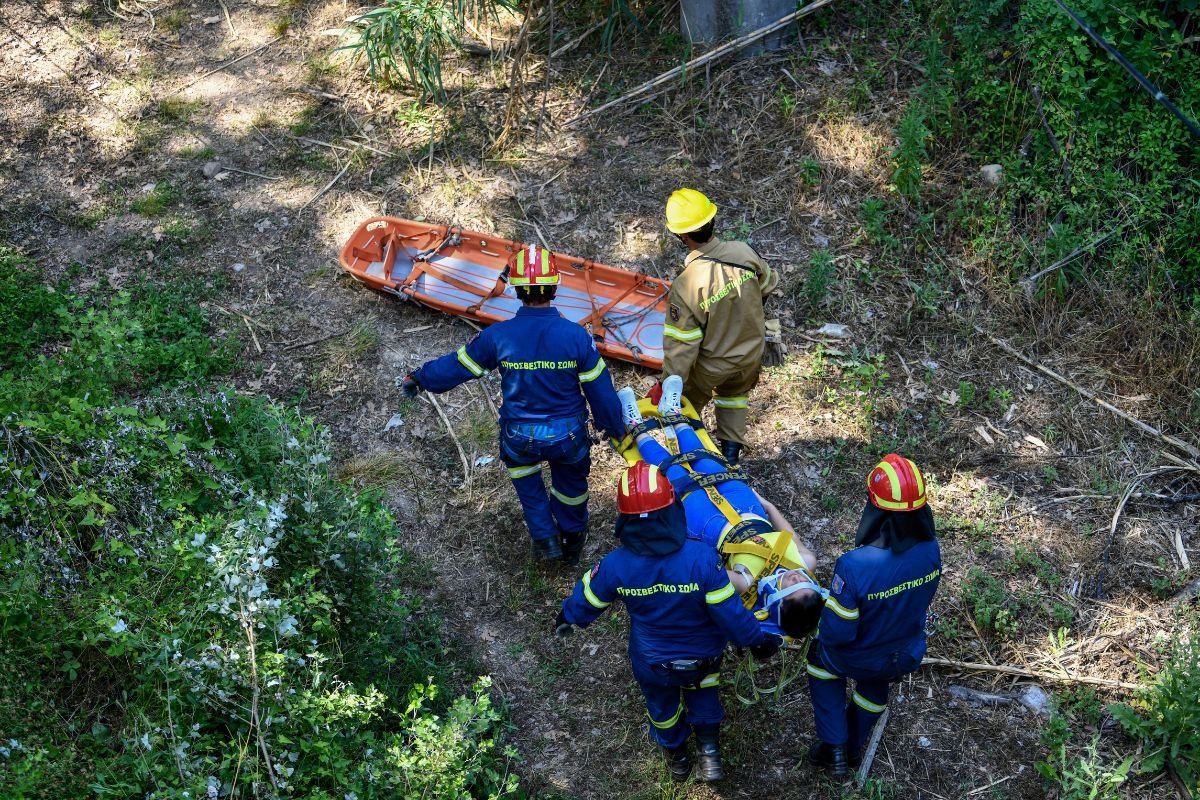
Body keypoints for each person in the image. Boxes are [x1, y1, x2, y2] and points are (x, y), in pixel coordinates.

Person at [556, 462, 781, 783]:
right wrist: (757, 640)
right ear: (672, 509)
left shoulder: (616, 566)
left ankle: (677, 759)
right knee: (704, 693)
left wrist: (568, 617)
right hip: (703, 655)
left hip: (652, 662)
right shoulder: (701, 559)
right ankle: (710, 754)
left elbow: (588, 597)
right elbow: (730, 613)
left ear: (625, 520)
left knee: (662, 708)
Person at [400, 244, 625, 564]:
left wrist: (420, 378)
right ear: (555, 286)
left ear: (516, 290)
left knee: (529, 487)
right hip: (568, 436)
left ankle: (545, 539)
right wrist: (616, 429)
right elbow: (600, 392)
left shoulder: (498, 336)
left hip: (519, 435)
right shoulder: (576, 337)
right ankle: (572, 538)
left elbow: (457, 366)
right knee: (571, 486)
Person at [618, 377, 825, 641]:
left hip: (712, 526)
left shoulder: (746, 584)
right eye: (806, 583)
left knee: (675, 474)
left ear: (778, 601)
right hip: (749, 510)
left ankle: (637, 429)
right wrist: (768, 506)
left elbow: (706, 574)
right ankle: (674, 416)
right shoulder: (807, 563)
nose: (799, 578)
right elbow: (789, 534)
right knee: (707, 461)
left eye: (794, 587)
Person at [806, 454, 942, 777]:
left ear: (875, 510)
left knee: (821, 659)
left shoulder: (854, 566)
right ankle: (854, 747)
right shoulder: (931, 549)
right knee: (876, 681)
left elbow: (838, 634)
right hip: (902, 657)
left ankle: (835, 747)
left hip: (858, 656)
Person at [660, 188, 778, 466]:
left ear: (682, 236)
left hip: (712, 365)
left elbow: (682, 343)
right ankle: (730, 456)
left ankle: (692, 459)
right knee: (734, 396)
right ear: (712, 221)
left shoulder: (687, 283)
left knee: (687, 406)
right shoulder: (743, 252)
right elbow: (768, 285)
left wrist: (670, 383)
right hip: (751, 354)